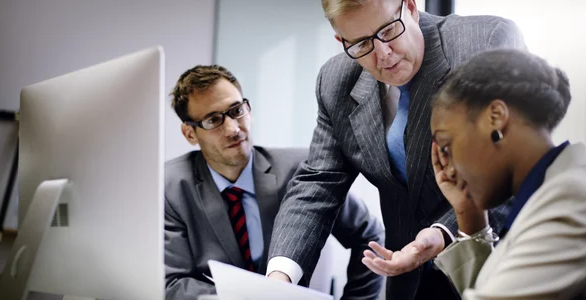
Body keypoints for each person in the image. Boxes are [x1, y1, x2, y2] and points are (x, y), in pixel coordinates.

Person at [266, 0, 527, 299]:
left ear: (411, 8)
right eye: (361, 44)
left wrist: (442, 233)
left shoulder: (486, 41)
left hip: (498, 267)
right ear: (342, 41)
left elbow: (508, 164)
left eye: (389, 30)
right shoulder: (334, 81)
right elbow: (318, 183)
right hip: (406, 280)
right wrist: (280, 276)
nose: (383, 54)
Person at [164, 64, 385, 300]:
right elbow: (174, 284)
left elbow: (369, 236)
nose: (232, 129)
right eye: (212, 120)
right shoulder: (171, 188)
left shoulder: (302, 170)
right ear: (190, 133)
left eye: (236, 110)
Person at [429, 48, 586, 299]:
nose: (447, 169)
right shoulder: (552, 188)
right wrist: (470, 215)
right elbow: (495, 287)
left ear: (496, 117)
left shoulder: (571, 197)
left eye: (447, 146)